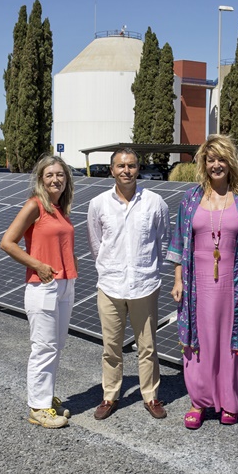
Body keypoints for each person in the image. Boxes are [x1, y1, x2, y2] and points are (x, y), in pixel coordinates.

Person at [168, 134, 238, 430]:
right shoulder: (191, 198)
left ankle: (229, 401)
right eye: (211, 159)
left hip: (234, 284)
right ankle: (199, 401)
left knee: (229, 342)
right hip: (198, 285)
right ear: (203, 164)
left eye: (222, 159)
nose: (216, 164)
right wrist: (178, 279)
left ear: (230, 162)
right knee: (199, 341)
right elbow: (180, 241)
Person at [87, 148, 170, 421]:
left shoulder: (156, 203)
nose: (126, 170)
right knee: (111, 347)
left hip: (144, 285)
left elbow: (163, 242)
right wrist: (109, 268)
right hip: (110, 285)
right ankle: (110, 396)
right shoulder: (98, 203)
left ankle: (151, 396)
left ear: (138, 169)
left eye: (131, 166)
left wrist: (150, 271)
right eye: (121, 166)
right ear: (112, 170)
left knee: (147, 347)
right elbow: (96, 244)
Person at [0, 155, 78, 429]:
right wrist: (37, 265)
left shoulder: (60, 209)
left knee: (56, 346)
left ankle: (47, 398)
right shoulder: (35, 206)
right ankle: (38, 407)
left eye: (60, 175)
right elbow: (7, 242)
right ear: (40, 179)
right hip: (43, 285)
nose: (56, 179)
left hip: (66, 284)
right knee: (43, 347)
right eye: (50, 175)